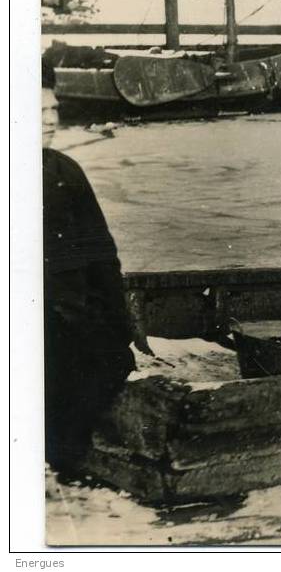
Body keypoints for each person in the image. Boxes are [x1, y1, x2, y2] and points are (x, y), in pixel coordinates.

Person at [43, 148, 137, 471]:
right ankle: (60, 451)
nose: (50, 118)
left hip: (66, 306)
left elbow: (100, 249)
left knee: (113, 358)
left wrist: (121, 320)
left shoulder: (64, 168)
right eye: (40, 110)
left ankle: (62, 449)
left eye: (54, 108)